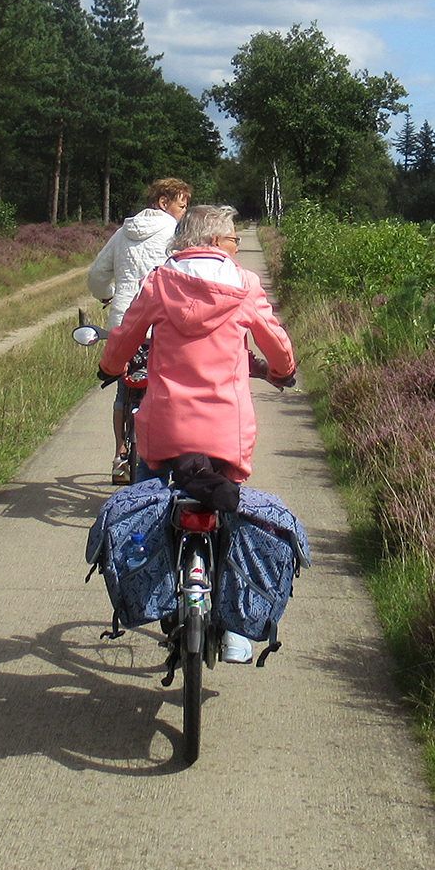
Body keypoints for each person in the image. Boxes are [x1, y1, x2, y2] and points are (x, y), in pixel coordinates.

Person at [98, 204, 296, 662]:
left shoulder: (161, 282)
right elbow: (276, 344)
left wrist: (109, 366)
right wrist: (283, 370)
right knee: (231, 510)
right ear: (212, 240)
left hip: (164, 430)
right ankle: (235, 630)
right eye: (232, 237)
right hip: (227, 432)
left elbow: (126, 336)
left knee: (147, 502)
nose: (236, 244)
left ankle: (154, 590)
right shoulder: (244, 285)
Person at [86, 177, 191, 482]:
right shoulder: (176, 234)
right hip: (161, 324)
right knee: (163, 392)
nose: (184, 212)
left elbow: (96, 275)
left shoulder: (122, 233)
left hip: (124, 321)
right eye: (181, 205)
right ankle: (159, 456)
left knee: (123, 390)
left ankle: (120, 457)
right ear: (163, 203)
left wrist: (107, 295)